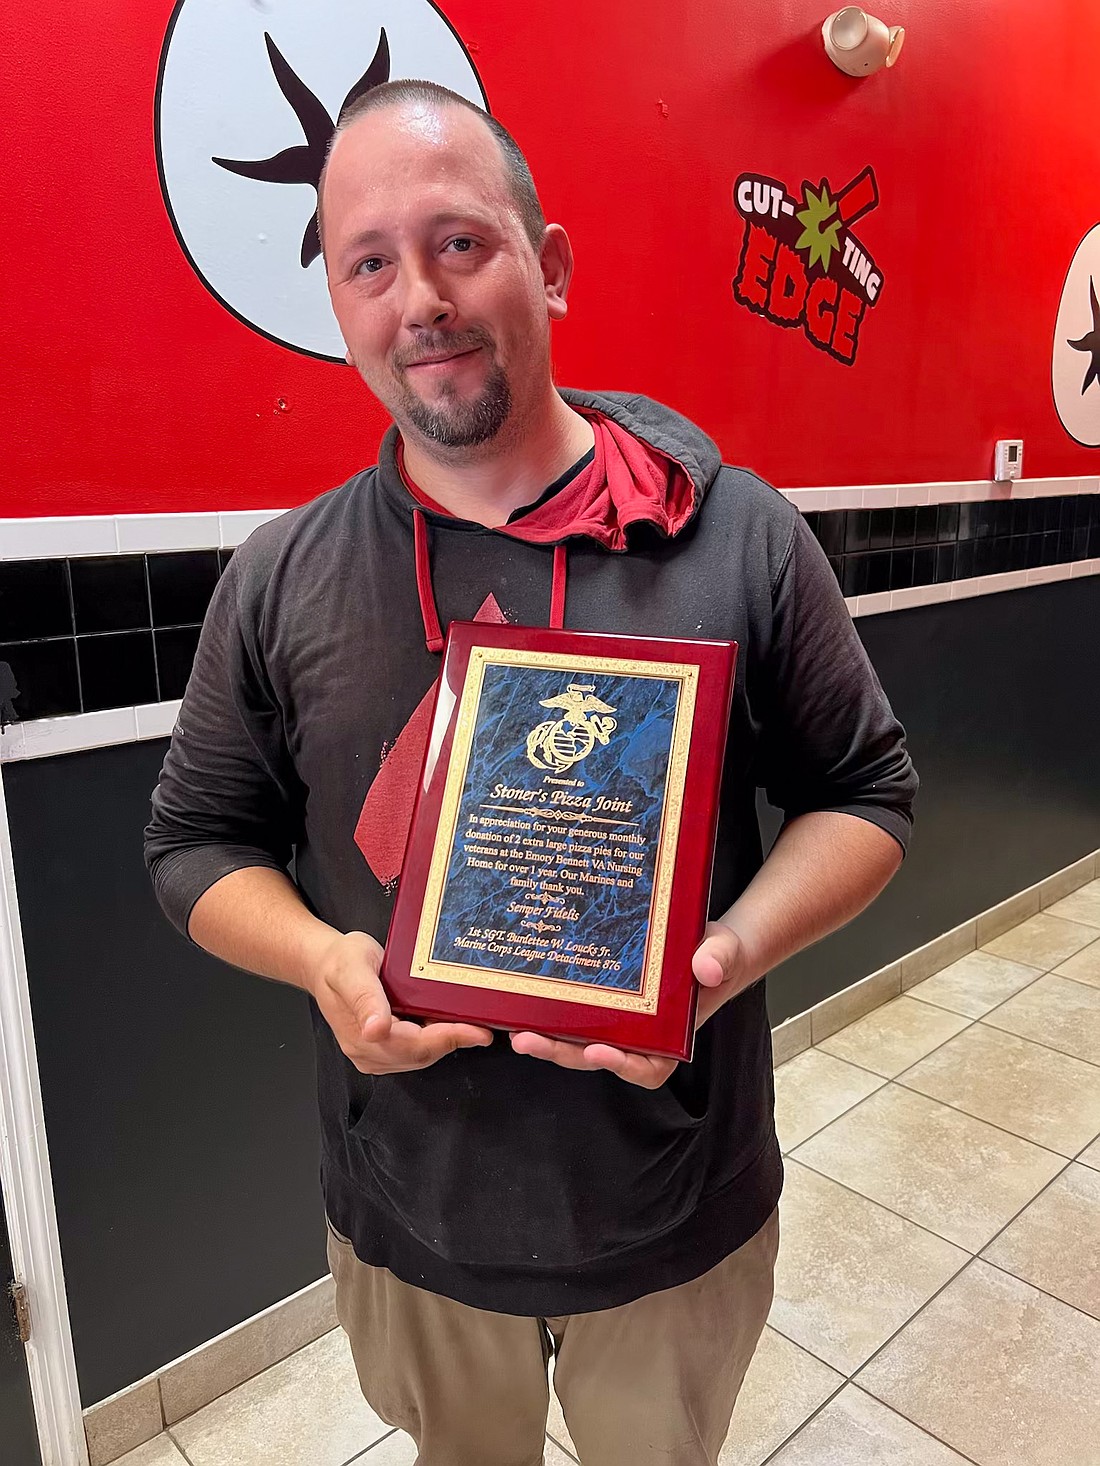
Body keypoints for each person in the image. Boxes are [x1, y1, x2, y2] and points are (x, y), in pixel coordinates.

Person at [144, 79, 917, 1466]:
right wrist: (323, 961)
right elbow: (192, 843)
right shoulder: (278, 578)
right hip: (411, 1211)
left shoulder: (736, 536)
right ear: (340, 307)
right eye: (369, 264)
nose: (419, 300)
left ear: (548, 266)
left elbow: (869, 796)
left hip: (675, 1205)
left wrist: (721, 960)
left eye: (459, 243)